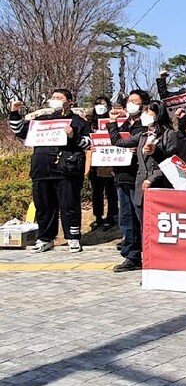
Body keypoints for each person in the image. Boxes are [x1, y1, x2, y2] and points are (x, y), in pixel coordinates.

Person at [8, 91, 92, 254]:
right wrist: (14, 113)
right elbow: (20, 131)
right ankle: (45, 238)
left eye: (59, 98)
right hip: (41, 169)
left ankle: (73, 237)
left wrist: (72, 135)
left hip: (67, 170)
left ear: (70, 102)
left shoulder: (77, 122)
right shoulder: (41, 120)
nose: (55, 101)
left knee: (69, 206)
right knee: (43, 206)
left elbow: (87, 142)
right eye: (53, 98)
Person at [107, 90, 150, 270]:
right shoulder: (123, 124)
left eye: (135, 101)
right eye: (128, 101)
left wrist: (137, 150)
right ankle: (131, 255)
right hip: (122, 177)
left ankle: (148, 254)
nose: (130, 104)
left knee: (142, 218)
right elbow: (111, 143)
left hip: (139, 177)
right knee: (126, 219)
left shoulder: (146, 126)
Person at [86, 95, 117, 230]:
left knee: (111, 191)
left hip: (110, 161)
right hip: (94, 162)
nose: (100, 106)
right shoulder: (89, 123)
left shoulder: (114, 121)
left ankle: (111, 216)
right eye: (97, 103)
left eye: (103, 104)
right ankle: (98, 216)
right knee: (96, 191)